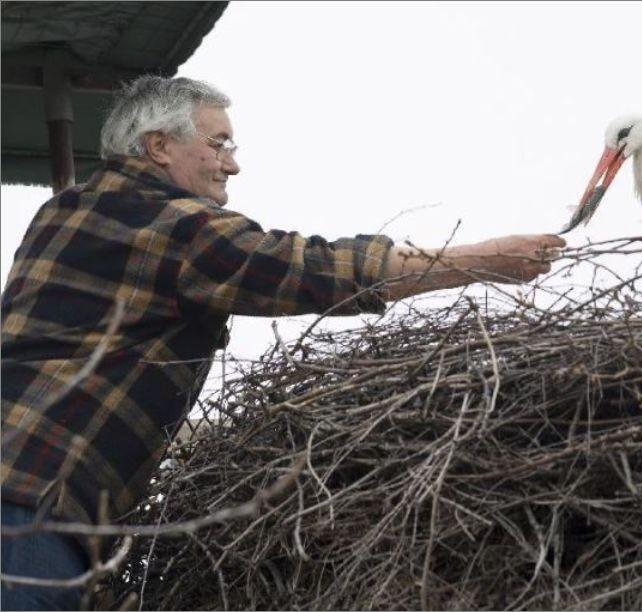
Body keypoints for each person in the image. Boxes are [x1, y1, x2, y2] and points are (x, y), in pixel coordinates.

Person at [0, 75, 565, 610]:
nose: (233, 164)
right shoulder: (170, 226)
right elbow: (305, 269)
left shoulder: (64, 212)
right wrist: (482, 261)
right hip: (30, 510)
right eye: (218, 143)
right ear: (158, 147)